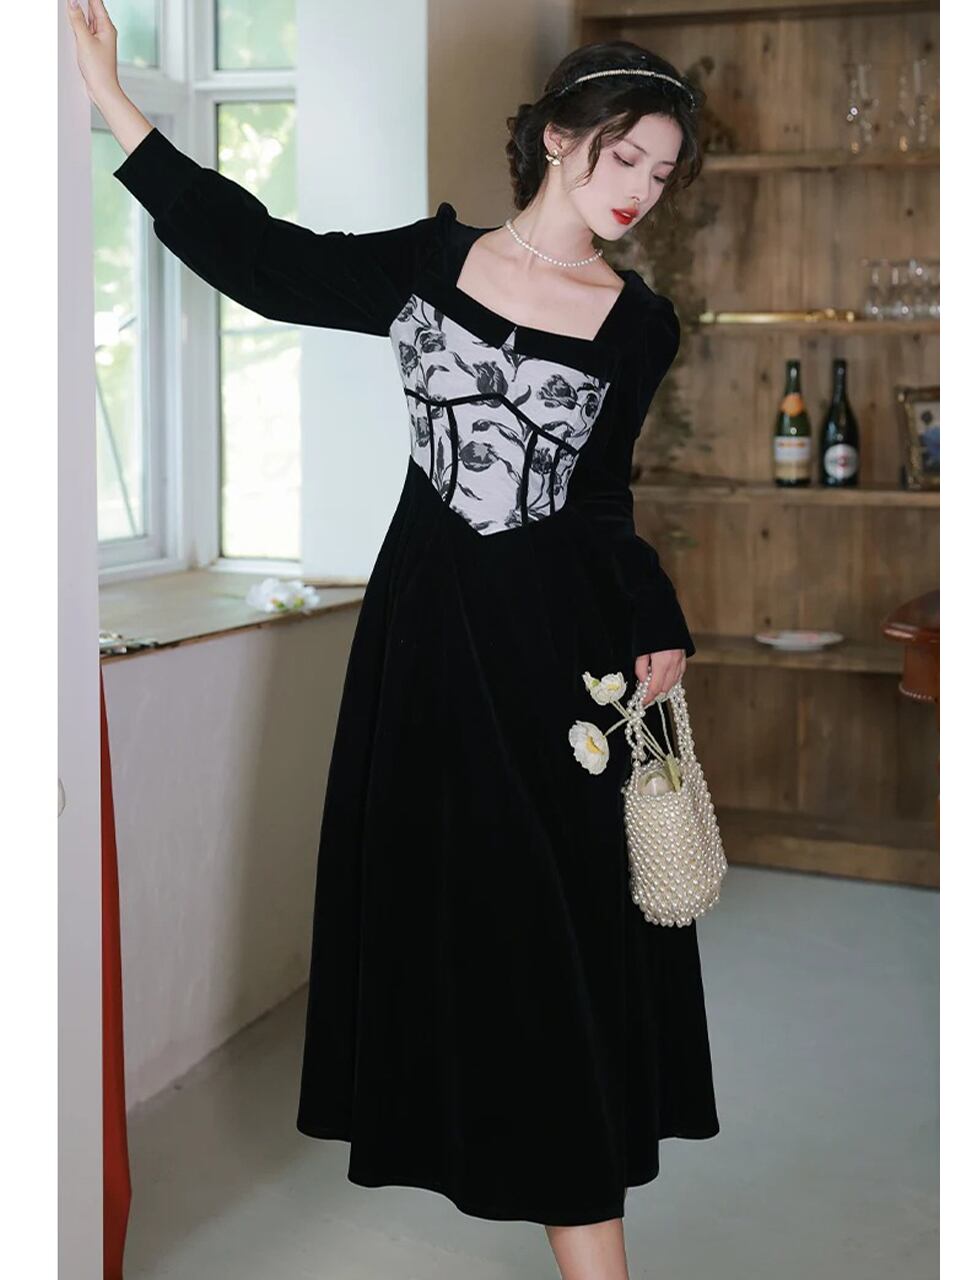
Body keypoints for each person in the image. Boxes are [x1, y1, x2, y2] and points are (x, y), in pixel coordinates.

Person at [69, 3, 719, 1276]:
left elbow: (600, 502)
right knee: (464, 930)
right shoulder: (432, 262)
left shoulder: (640, 323)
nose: (641, 189)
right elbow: (262, 259)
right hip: (424, 650)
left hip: (559, 661)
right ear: (557, 136)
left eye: (662, 172)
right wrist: (114, 103)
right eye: (625, 155)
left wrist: (653, 616)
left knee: (563, 942)